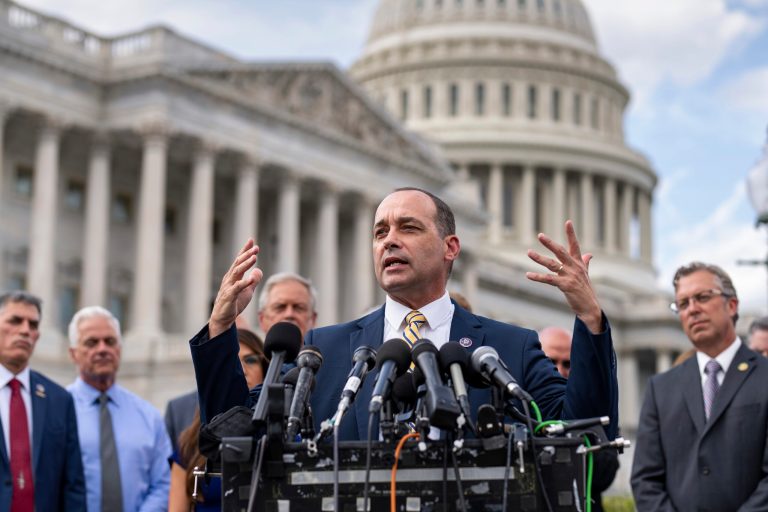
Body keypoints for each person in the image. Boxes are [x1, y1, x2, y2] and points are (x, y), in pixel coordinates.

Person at [191, 187, 619, 440]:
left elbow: (582, 429)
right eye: (380, 232)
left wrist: (590, 320)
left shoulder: (510, 347)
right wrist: (221, 327)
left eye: (408, 228)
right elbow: (233, 430)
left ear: (450, 247)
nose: (388, 241)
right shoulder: (326, 351)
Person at [631, 262, 768, 511]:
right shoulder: (660, 388)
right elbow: (646, 480)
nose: (692, 309)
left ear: (732, 305)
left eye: (703, 297)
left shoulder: (764, 376)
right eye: (683, 304)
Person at [165, 274, 317, 449]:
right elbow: (227, 428)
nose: (289, 314)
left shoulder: (327, 370)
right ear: (262, 319)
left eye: (298, 307)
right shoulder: (186, 407)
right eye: (280, 307)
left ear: (313, 318)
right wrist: (220, 325)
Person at [67, 306, 171, 512]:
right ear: (73, 354)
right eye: (91, 342)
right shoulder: (57, 411)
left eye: (110, 341)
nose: (102, 349)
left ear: (120, 350)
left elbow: (164, 483)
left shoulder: (148, 417)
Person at [0, 291, 85, 512]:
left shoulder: (59, 399)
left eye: (33, 325)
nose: (25, 330)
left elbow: (73, 484)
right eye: (15, 321)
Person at [168, 329, 267, 512]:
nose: (242, 371)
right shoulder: (189, 445)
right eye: (233, 363)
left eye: (250, 360)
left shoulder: (283, 434)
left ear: (265, 368)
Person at [540, 325, 619, 512]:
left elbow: (605, 473)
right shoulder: (522, 407)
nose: (559, 371)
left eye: (567, 364)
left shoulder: (594, 406)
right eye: (551, 362)